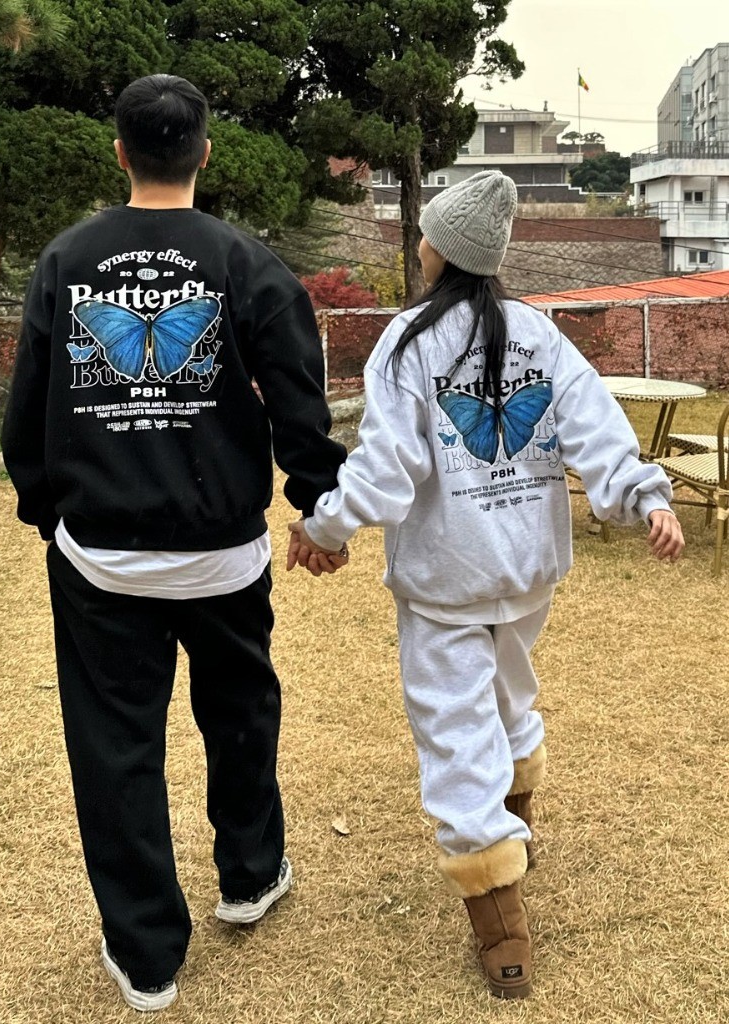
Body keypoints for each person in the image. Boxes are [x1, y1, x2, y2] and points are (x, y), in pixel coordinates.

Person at [287, 170, 684, 999]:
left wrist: (323, 526)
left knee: (454, 734)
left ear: (437, 248)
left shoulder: (408, 342)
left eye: (424, 235)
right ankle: (517, 830)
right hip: (526, 569)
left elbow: (387, 466)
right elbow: (595, 427)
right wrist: (642, 495)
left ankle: (503, 931)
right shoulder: (537, 333)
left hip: (446, 578)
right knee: (507, 698)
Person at [1, 73, 348, 1012]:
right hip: (222, 550)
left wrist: (45, 509)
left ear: (118, 151)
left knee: (115, 747)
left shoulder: (66, 260)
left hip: (100, 557)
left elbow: (27, 403)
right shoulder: (245, 262)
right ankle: (250, 874)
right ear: (205, 152)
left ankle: (146, 953)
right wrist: (317, 502)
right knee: (240, 712)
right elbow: (300, 398)